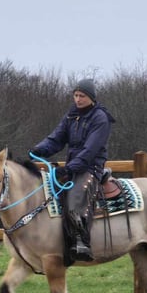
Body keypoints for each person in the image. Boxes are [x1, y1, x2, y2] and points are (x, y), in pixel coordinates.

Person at [29, 78, 115, 263]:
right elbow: (56, 138)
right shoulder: (71, 115)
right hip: (73, 165)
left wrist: (69, 168)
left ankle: (81, 242)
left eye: (82, 96)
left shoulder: (100, 118)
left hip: (91, 166)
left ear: (91, 97)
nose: (78, 99)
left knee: (75, 198)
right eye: (75, 95)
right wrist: (38, 150)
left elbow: (90, 150)